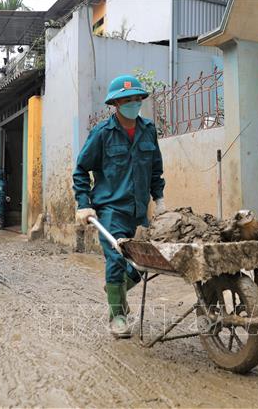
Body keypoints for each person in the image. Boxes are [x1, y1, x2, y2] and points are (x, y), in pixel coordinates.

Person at [72, 74, 166, 338]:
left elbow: (156, 168)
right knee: (115, 258)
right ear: (115, 103)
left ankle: (116, 289)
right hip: (110, 209)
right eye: (127, 99)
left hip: (139, 209)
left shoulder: (148, 130)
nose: (133, 103)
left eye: (136, 98)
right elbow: (81, 170)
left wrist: (159, 200)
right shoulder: (102, 133)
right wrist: (84, 204)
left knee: (140, 264)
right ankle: (118, 317)